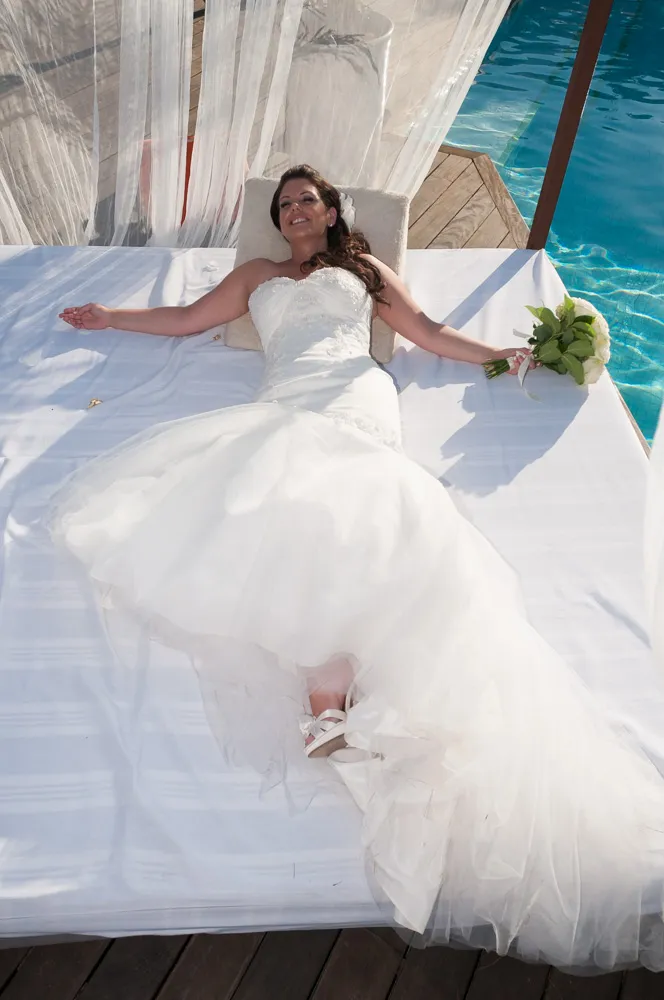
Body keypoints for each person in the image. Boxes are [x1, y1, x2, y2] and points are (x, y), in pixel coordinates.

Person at [55, 165, 664, 972]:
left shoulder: (364, 270)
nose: (293, 210)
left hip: (355, 401)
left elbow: (428, 331)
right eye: (284, 204)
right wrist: (112, 317)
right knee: (291, 517)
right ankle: (328, 697)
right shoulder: (257, 275)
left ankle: (329, 700)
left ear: (332, 211)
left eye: (306, 200)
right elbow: (187, 318)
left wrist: (501, 356)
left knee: (354, 518)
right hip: (286, 402)